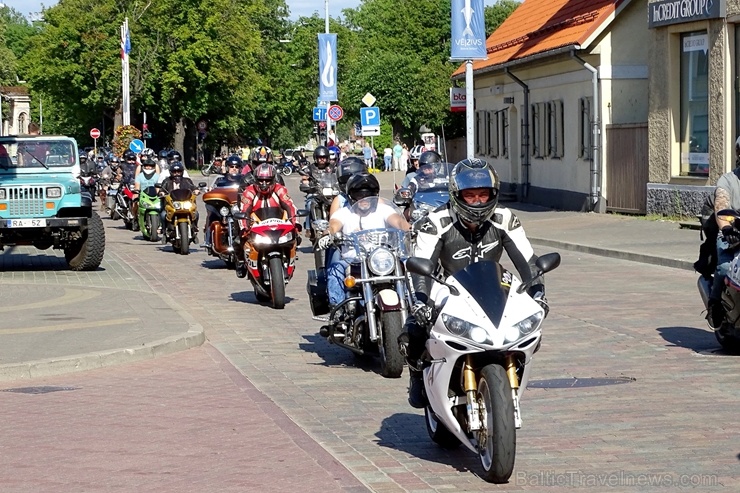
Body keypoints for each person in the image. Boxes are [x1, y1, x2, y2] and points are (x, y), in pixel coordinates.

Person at [401, 158, 547, 409]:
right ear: (457, 194)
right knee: (413, 331)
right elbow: (420, 267)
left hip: (492, 285)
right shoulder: (435, 221)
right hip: (447, 287)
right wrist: (421, 303)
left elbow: (528, 261)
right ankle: (417, 374)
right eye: (470, 195)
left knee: (527, 331)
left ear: (493, 193)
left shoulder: (504, 218)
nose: (478, 201)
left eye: (483, 194)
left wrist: (538, 294)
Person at [318, 173, 410, 308]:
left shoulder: (384, 210)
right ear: (351, 196)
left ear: (375, 195)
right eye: (359, 195)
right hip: (353, 260)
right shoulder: (344, 213)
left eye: (368, 195)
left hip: (383, 259)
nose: (364, 199)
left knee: (409, 265)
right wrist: (328, 234)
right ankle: (337, 309)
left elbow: (399, 222)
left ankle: (414, 302)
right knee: (335, 269)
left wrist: (411, 229)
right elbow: (334, 225)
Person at [235, 163, 297, 278]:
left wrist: (294, 223)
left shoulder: (280, 189)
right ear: (255, 180)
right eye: (261, 181)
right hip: (256, 226)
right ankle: (241, 262)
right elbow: (244, 210)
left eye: (267, 181)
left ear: (273, 180)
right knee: (239, 240)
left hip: (278, 225)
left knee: (296, 237)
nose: (264, 184)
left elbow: (290, 206)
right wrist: (245, 227)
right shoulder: (249, 192)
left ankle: (290, 260)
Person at [706, 137, 740, 329]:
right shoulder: (728, 180)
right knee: (726, 267)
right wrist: (726, 228)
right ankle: (715, 304)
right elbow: (721, 206)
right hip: (733, 234)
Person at [132, 155, 160, 221]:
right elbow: (137, 186)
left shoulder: (157, 176)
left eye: (150, 166)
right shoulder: (140, 176)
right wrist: (137, 194)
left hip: (153, 195)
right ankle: (135, 217)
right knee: (136, 203)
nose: (148, 168)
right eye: (146, 166)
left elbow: (158, 187)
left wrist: (158, 195)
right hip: (143, 195)